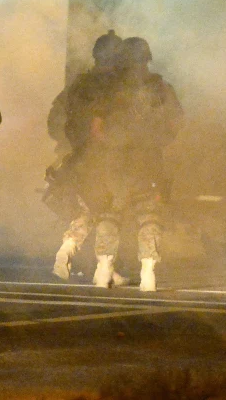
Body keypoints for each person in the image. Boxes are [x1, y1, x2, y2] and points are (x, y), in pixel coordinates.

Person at [77, 37, 182, 292]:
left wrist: (112, 147)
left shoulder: (109, 89)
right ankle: (148, 273)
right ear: (147, 59)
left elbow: (96, 129)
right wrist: (156, 143)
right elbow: (175, 123)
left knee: (108, 213)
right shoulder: (161, 88)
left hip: (114, 162)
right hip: (148, 161)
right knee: (149, 215)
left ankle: (103, 269)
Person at [45, 30, 126, 282]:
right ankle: (105, 267)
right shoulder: (118, 87)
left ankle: (68, 249)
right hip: (106, 158)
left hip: (76, 158)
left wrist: (68, 146)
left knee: (85, 211)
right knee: (110, 211)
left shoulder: (79, 84)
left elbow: (55, 121)